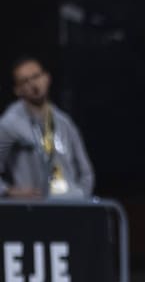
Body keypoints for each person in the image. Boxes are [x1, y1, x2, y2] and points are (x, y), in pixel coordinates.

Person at [0, 57, 95, 199]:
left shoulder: (64, 122)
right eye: (25, 81)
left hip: (69, 207)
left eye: (36, 76)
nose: (33, 84)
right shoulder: (10, 124)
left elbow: (86, 172)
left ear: (47, 78)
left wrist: (79, 196)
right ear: (18, 90)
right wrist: (10, 192)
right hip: (33, 209)